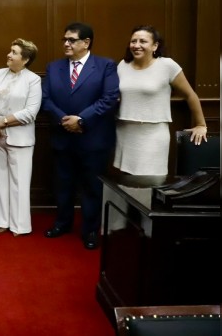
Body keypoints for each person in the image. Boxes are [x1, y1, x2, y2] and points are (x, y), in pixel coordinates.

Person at [41, 22, 119, 249]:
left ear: (86, 43)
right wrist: (66, 120)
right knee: (63, 185)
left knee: (92, 187)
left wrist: (82, 119)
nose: (66, 44)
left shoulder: (105, 66)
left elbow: (109, 98)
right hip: (62, 136)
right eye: (64, 39)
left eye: (71, 40)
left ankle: (91, 230)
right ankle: (62, 223)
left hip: (93, 138)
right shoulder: (54, 67)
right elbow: (45, 99)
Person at [113, 25, 208, 176]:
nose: (136, 45)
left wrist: (201, 124)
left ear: (155, 45)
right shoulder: (122, 65)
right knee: (127, 183)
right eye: (133, 41)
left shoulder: (167, 65)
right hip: (125, 132)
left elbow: (190, 95)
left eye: (143, 41)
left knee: (149, 181)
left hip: (152, 135)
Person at [0, 39, 42, 237]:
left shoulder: (33, 80)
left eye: (14, 52)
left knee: (19, 182)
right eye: (10, 51)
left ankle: (19, 226)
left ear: (25, 59)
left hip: (20, 137)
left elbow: (31, 112)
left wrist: (3, 122)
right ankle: (1, 221)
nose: (9, 55)